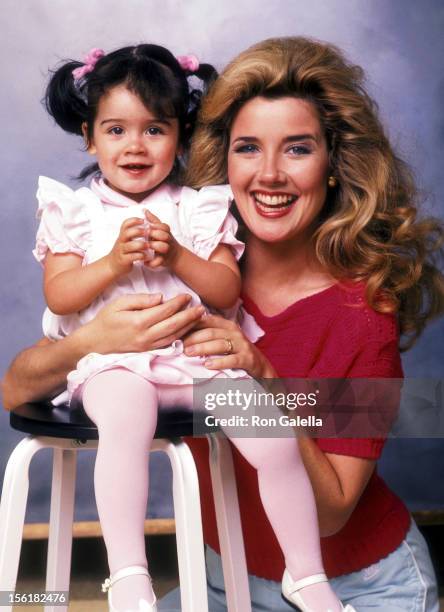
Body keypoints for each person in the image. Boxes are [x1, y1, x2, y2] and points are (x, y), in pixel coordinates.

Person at [2, 36, 442, 611]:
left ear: (335, 164)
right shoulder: (183, 271)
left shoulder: (361, 317)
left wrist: (262, 372)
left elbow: (333, 510)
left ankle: (306, 580)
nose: (270, 174)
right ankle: (127, 573)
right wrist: (93, 340)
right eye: (248, 148)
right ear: (222, 158)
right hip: (224, 572)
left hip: (362, 582)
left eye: (298, 149)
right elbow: (17, 387)